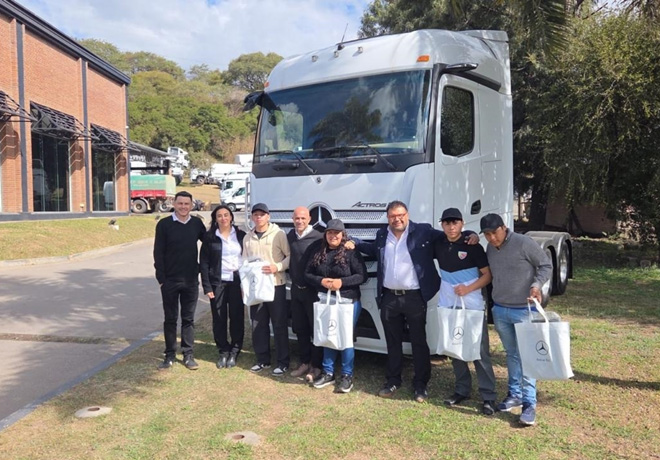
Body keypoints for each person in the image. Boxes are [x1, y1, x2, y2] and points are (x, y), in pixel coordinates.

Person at [355, 201, 477, 403]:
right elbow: (373, 250)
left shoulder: (422, 231)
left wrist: (470, 234)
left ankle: (420, 384)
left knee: (418, 341)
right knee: (392, 341)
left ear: (407, 215)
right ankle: (393, 380)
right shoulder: (382, 234)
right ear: (388, 218)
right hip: (389, 297)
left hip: (414, 296)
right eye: (393, 216)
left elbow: (448, 235)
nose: (397, 219)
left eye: (400, 215)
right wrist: (353, 242)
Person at [481, 213, 553, 426]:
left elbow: (545, 265)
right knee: (512, 354)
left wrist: (536, 286)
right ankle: (514, 394)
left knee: (526, 356)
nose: (492, 238)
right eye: (487, 234)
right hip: (500, 310)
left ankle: (529, 404)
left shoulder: (523, 243)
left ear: (504, 227)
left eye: (494, 232)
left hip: (523, 310)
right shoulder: (490, 248)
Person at [434, 208, 497, 416]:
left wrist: (468, 289)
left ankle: (488, 396)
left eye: (455, 223)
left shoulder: (473, 246)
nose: (451, 227)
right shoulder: (438, 244)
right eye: (447, 223)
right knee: (455, 346)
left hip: (472, 305)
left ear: (462, 223)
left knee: (480, 350)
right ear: (442, 225)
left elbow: (487, 276)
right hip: (449, 304)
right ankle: (462, 390)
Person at [304, 219, 367, 393]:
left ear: (342, 234)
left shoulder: (350, 252)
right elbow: (307, 274)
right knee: (328, 335)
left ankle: (347, 375)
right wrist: (321, 281)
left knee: (345, 338)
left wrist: (342, 282)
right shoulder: (319, 251)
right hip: (326, 300)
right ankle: (328, 372)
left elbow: (362, 275)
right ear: (326, 234)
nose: (333, 236)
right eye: (330, 232)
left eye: (337, 233)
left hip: (348, 301)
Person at [153, 190, 206, 370]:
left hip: (190, 280)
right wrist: (161, 278)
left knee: (188, 319)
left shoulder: (197, 224)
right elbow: (158, 252)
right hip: (170, 281)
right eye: (180, 203)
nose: (183, 207)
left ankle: (188, 354)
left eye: (187, 204)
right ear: (174, 204)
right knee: (170, 318)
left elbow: (209, 243)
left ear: (191, 205)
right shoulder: (164, 224)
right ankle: (169, 355)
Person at [243, 203, 291, 376]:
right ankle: (262, 359)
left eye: (262, 214)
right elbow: (244, 263)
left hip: (275, 285)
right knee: (258, 324)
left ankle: (283, 362)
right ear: (252, 217)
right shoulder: (247, 238)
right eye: (255, 215)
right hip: (256, 288)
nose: (258, 217)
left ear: (268, 216)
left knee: (279, 324)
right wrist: (244, 285)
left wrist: (277, 267)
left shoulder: (278, 234)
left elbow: (289, 256)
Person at [200, 204, 246, 369]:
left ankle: (235, 350)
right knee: (219, 318)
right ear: (215, 219)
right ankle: (223, 350)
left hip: (237, 281)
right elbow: (204, 263)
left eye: (226, 215)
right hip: (217, 282)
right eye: (219, 215)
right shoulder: (210, 237)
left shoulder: (241, 235)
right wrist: (207, 287)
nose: (223, 218)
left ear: (231, 217)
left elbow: (248, 258)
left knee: (237, 316)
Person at [287, 207, 324, 382]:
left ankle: (316, 366)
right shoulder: (290, 236)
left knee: (315, 329)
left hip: (313, 292)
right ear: (292, 219)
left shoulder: (318, 237)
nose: (300, 221)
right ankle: (304, 362)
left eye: (303, 218)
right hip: (296, 290)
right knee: (300, 328)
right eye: (297, 218)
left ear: (309, 219)